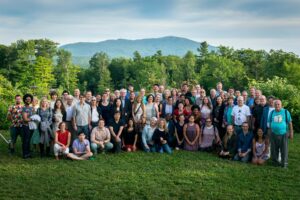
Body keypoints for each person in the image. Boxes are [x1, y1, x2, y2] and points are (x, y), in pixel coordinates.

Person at [268, 100, 293, 168]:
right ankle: (275, 162)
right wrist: (269, 133)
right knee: (274, 149)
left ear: (281, 105)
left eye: (278, 104)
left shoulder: (285, 112)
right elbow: (270, 123)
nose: (277, 106)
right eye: (276, 104)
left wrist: (291, 132)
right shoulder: (272, 112)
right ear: (274, 105)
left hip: (283, 133)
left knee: (284, 149)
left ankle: (284, 163)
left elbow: (290, 123)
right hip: (273, 133)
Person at [21, 94, 34, 159]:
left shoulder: (31, 108)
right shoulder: (24, 108)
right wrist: (32, 118)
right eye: (27, 99)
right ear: (24, 100)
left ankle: (28, 153)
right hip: (26, 126)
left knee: (28, 140)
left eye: (29, 99)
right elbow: (25, 119)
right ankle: (25, 154)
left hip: (31, 126)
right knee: (25, 140)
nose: (28, 100)